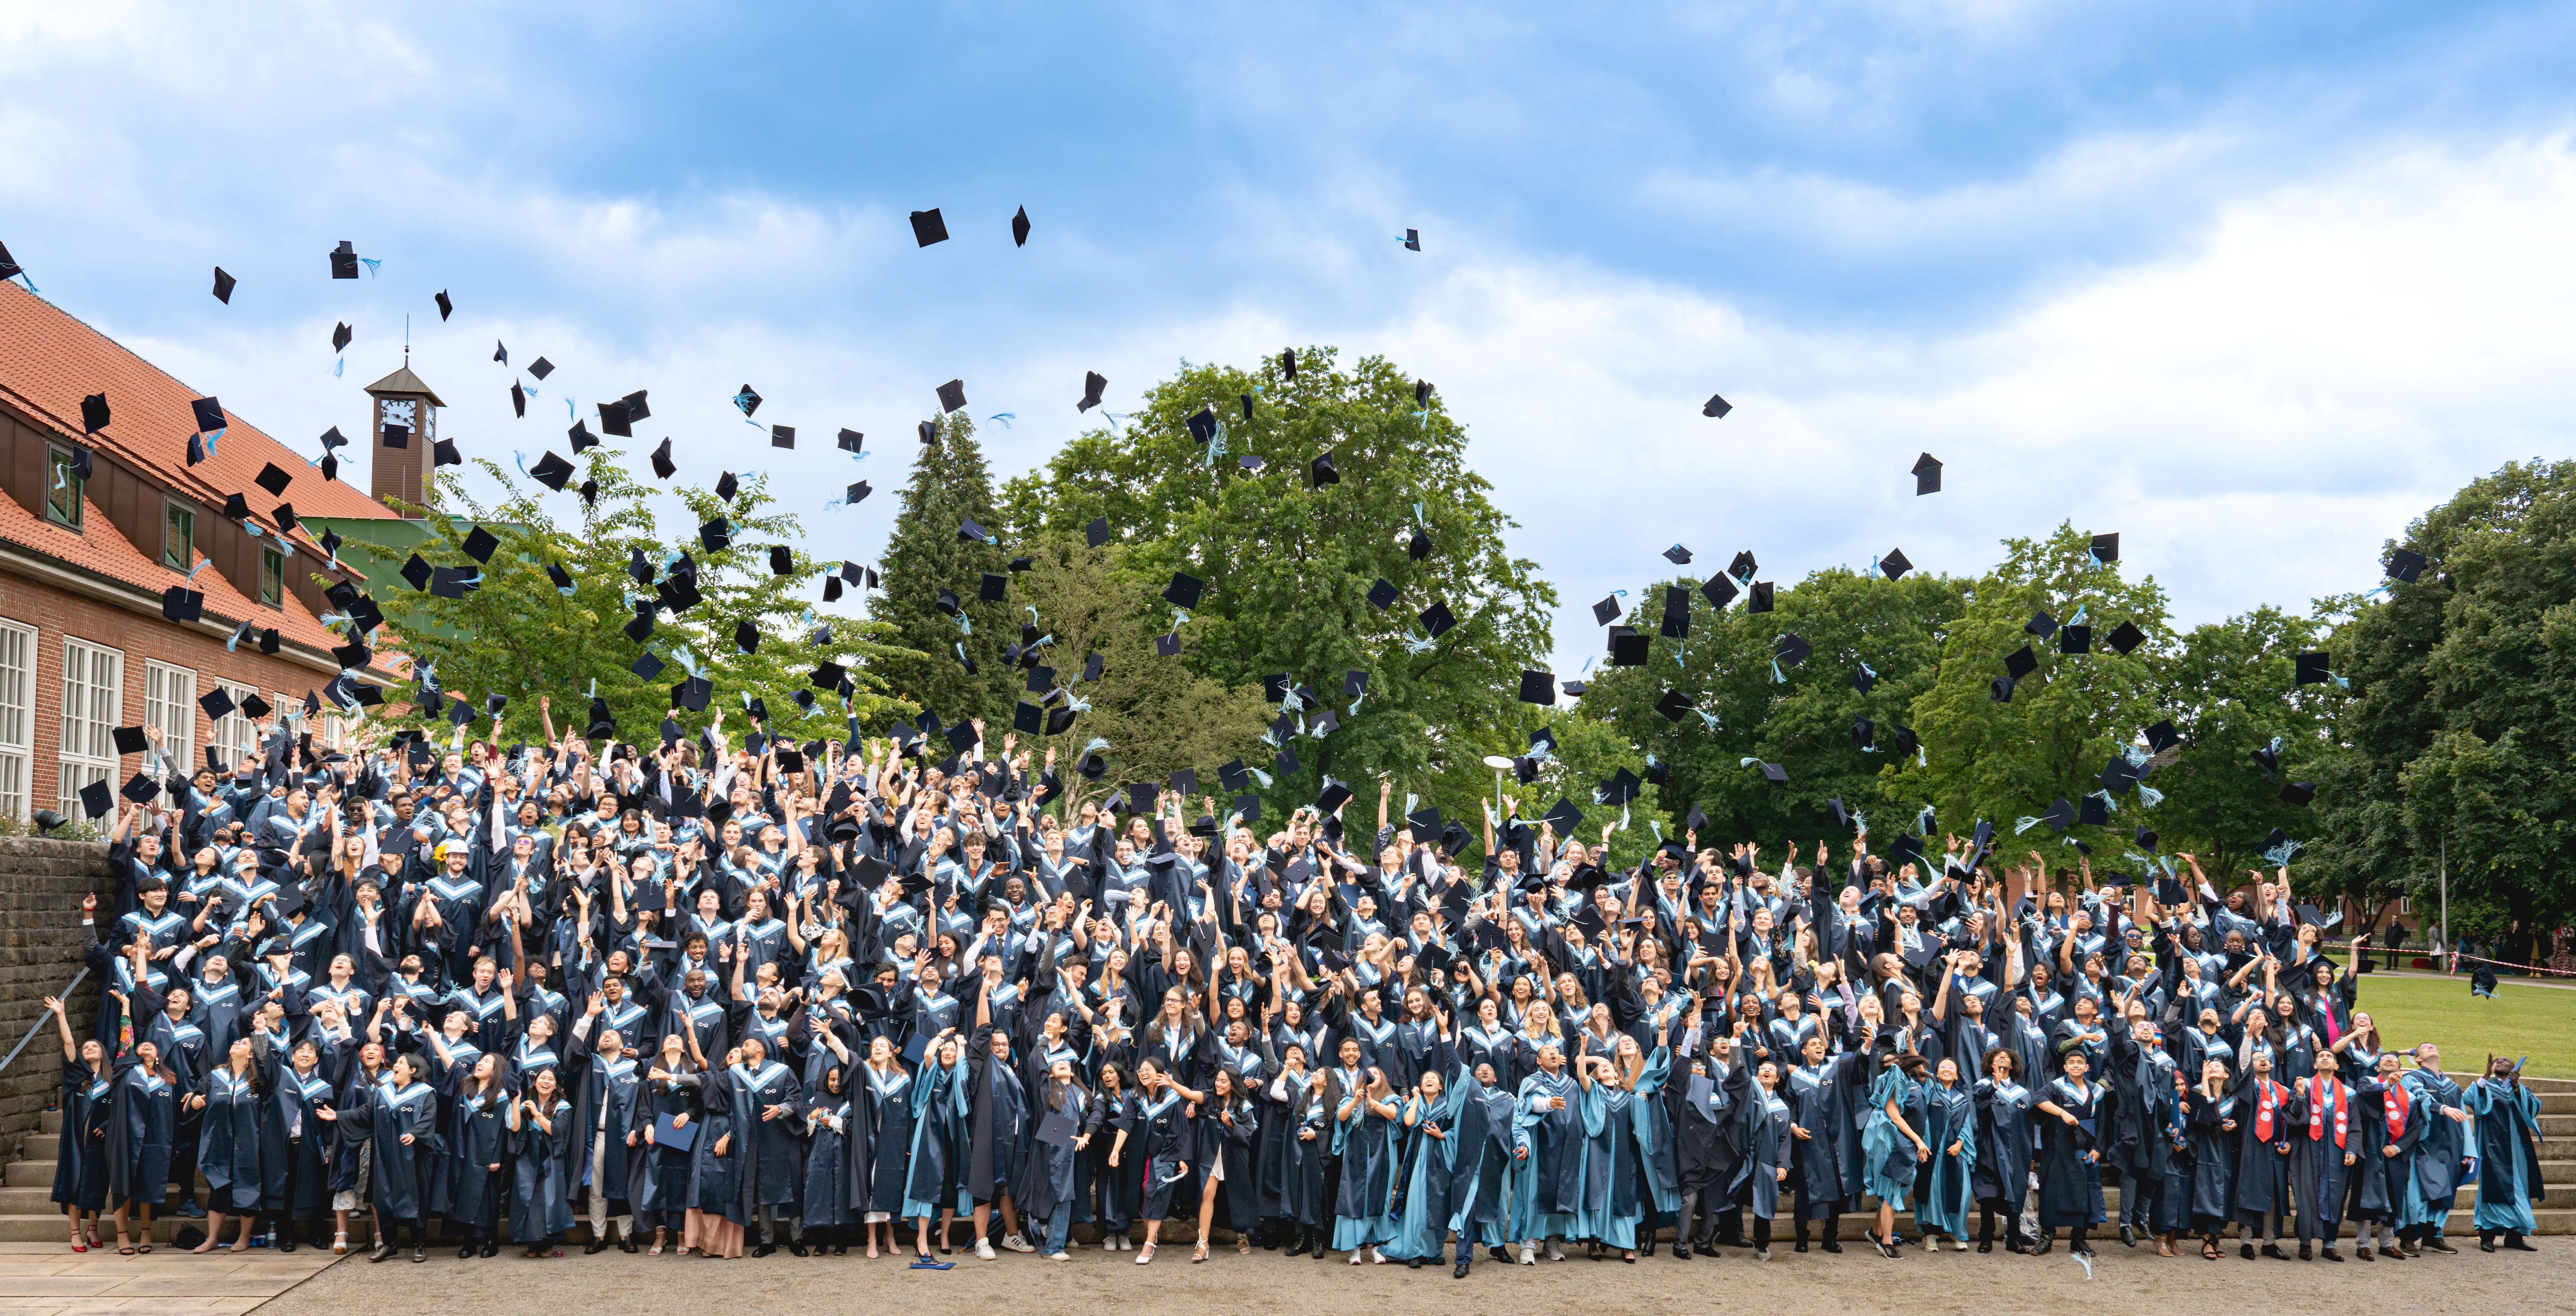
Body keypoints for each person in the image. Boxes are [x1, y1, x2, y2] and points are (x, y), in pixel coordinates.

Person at [41, 996, 108, 1252]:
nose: (89, 1048)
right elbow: (69, 1041)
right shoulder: (76, 1076)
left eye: (95, 1046)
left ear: (104, 1053)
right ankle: (74, 1234)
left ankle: (93, 1228)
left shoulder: (111, 1083)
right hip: (75, 1140)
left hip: (99, 1140)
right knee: (74, 1183)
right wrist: (61, 1014)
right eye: (86, 1047)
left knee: (97, 1184)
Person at [2463, 1055, 2545, 1252]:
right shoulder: (2485, 1086)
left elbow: (2534, 1108)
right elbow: (2469, 1100)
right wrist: (2485, 1075)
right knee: (2492, 1189)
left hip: (2517, 1148)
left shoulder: (2520, 1089)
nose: (2500, 1061)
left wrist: (2516, 1086)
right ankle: (2487, 1237)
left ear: (2514, 1068)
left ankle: (2515, 1237)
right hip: (2492, 1147)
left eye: (2505, 1060)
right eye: (2497, 1060)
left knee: (2520, 1188)